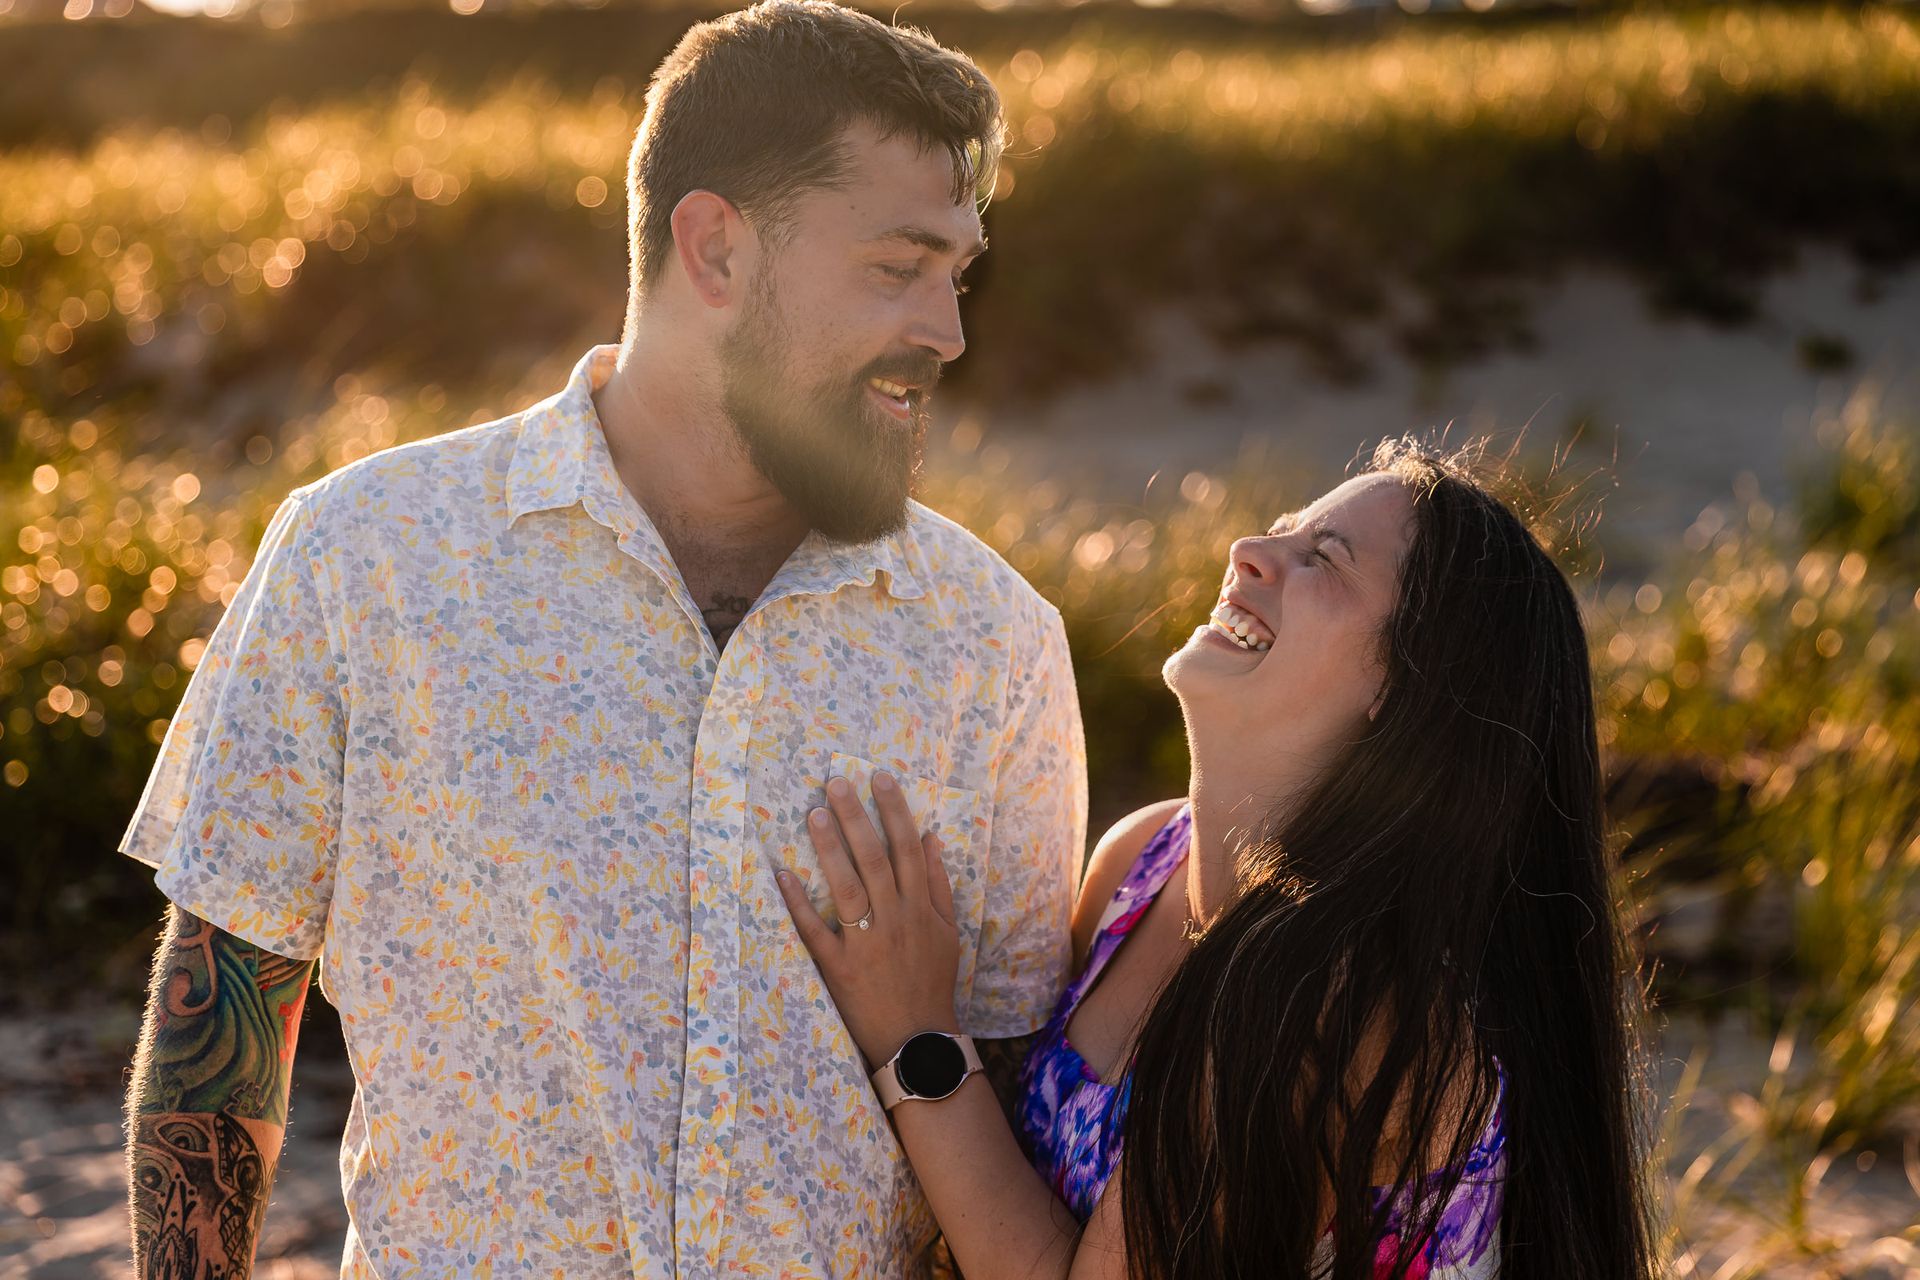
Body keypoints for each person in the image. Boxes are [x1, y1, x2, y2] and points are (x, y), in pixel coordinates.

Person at [119, 4, 1086, 1276]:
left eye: (956, 274)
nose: (948, 330)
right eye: (899, 266)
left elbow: (1006, 1114)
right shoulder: (368, 557)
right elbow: (219, 1035)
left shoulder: (994, 643)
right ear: (715, 248)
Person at [779, 440, 1657, 1280]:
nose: (1248, 551)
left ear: (1408, 689)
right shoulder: (1141, 860)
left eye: (1325, 559)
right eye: (1280, 529)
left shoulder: (1339, 1001)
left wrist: (915, 1035)